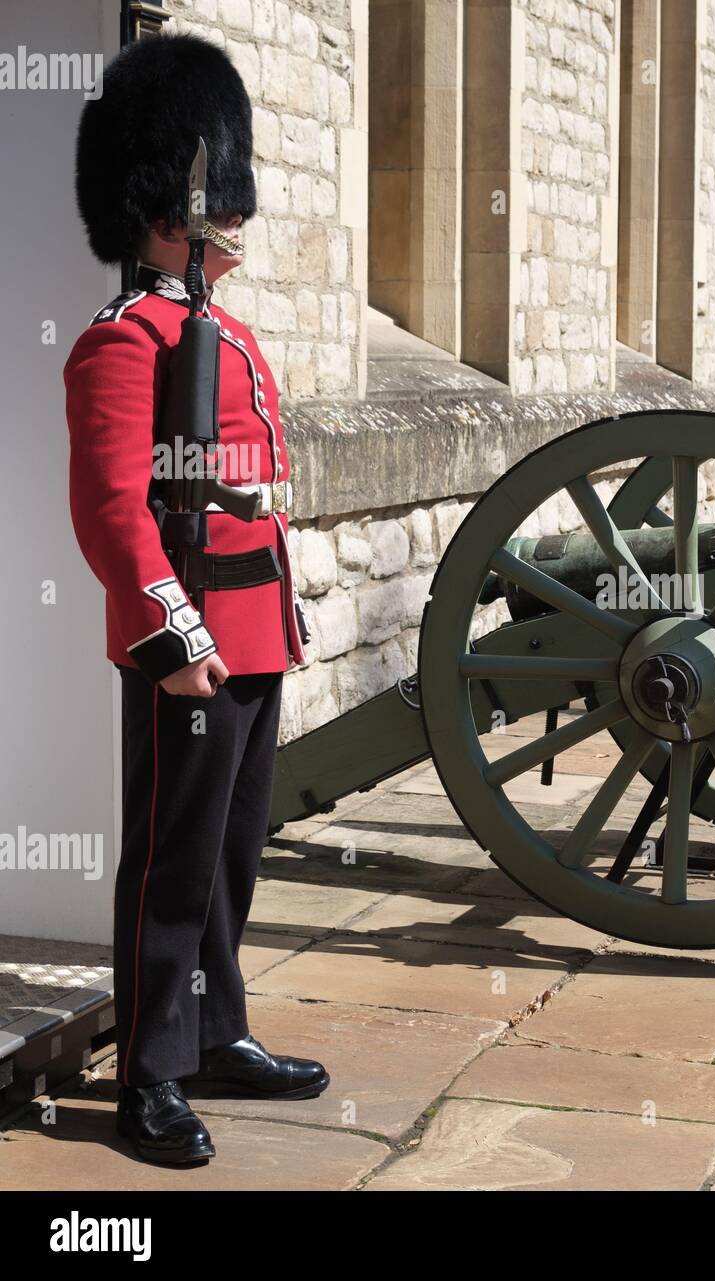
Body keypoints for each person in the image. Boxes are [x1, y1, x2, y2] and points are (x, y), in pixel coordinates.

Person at [65, 32, 327, 1166]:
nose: (237, 211)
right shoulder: (123, 344)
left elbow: (250, 502)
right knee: (171, 864)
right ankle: (150, 1073)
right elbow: (118, 516)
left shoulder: (233, 340)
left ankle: (215, 1033)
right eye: (215, 185)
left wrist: (282, 618)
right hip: (188, 644)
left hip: (253, 631)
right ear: (175, 196)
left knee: (229, 854)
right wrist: (173, 635)